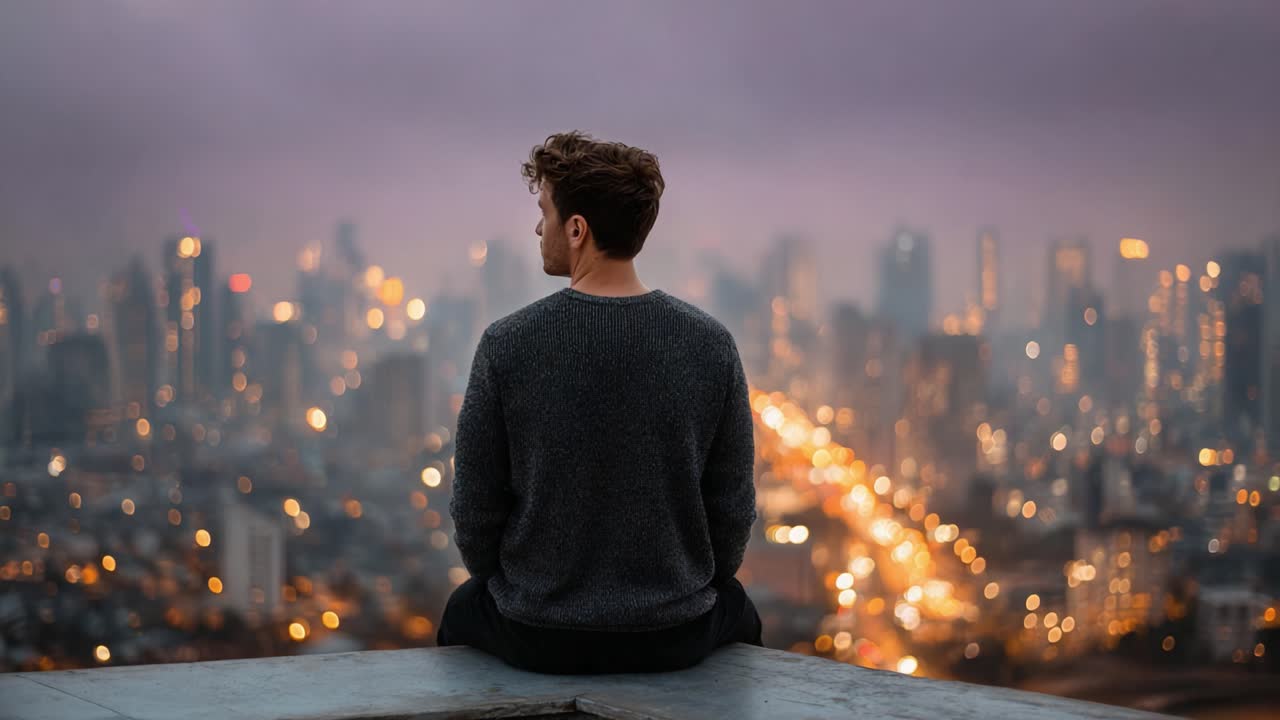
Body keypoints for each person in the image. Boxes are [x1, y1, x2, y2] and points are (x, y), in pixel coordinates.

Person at [436, 130, 762, 674]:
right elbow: (731, 514)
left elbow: (475, 514)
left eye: (544, 211)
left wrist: (523, 585)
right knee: (741, 614)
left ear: (578, 228)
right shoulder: (711, 344)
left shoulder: (507, 343)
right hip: (674, 634)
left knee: (460, 610)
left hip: (535, 633)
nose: (538, 228)